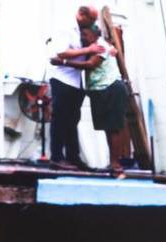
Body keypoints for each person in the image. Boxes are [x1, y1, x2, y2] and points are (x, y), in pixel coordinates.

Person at [51, 25, 129, 173]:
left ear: (94, 35)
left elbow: (90, 65)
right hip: (101, 89)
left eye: (86, 35)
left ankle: (116, 164)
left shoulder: (100, 46)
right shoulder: (95, 46)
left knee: (113, 128)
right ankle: (113, 163)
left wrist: (63, 62)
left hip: (110, 87)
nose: (83, 38)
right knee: (108, 127)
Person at [47, 6, 105, 171]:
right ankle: (57, 157)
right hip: (62, 78)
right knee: (59, 119)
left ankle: (73, 157)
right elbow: (61, 52)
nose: (92, 23)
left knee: (72, 120)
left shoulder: (81, 30)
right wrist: (89, 49)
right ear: (81, 14)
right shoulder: (65, 28)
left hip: (76, 81)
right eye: (91, 20)